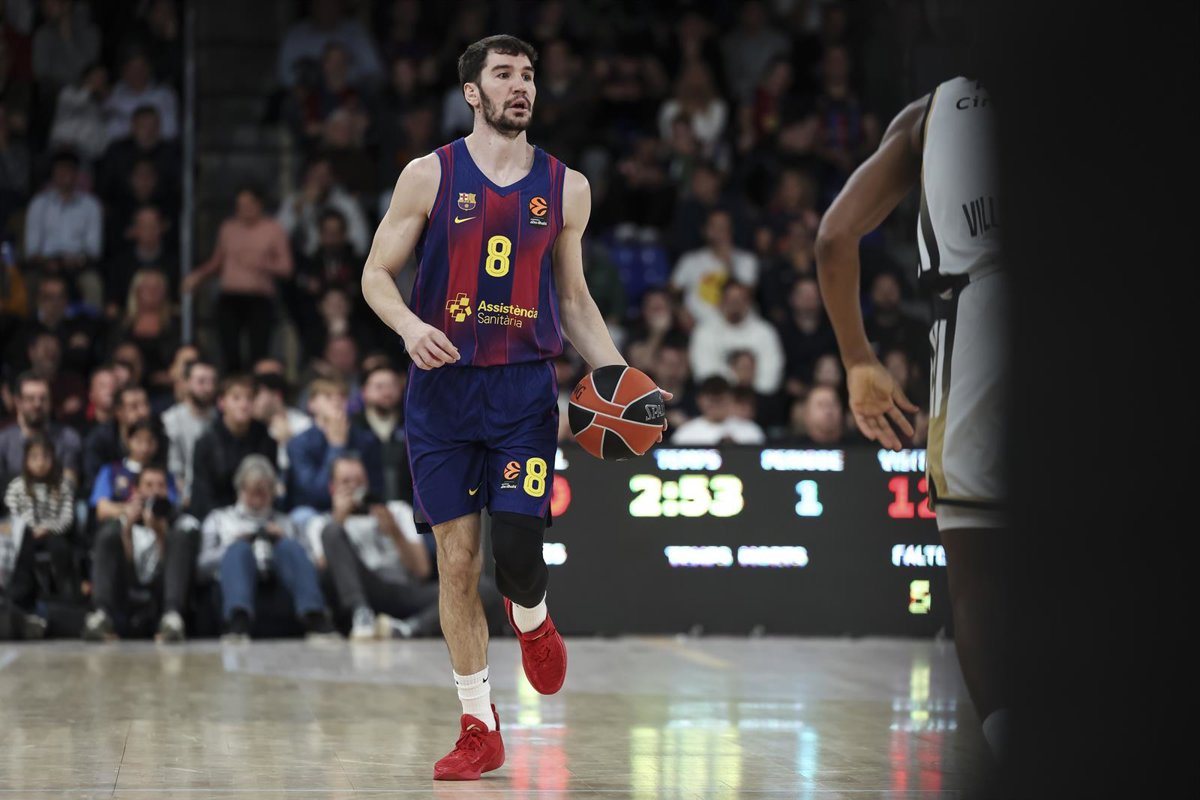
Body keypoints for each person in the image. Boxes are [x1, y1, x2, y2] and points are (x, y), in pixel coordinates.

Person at [359, 35, 669, 781]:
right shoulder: (428, 175)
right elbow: (375, 274)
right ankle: (479, 725)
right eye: (503, 74)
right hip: (441, 394)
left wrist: (623, 379)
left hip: (523, 392)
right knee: (457, 563)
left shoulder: (567, 187)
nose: (520, 85)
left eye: (528, 75)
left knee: (519, 557)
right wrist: (410, 328)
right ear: (473, 92)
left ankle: (532, 619)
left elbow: (574, 300)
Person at [815, 77, 1009, 759]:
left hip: (979, 323)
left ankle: (1009, 740)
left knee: (977, 572)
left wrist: (858, 359)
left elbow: (834, 237)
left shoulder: (934, 111)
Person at [305, 454, 496, 640]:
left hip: (402, 591)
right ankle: (361, 613)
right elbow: (325, 575)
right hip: (363, 588)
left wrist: (395, 532)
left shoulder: (397, 511)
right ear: (332, 488)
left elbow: (422, 570)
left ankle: (408, 629)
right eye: (346, 482)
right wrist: (339, 518)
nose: (354, 488)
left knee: (480, 588)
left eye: (359, 481)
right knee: (331, 532)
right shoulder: (321, 523)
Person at [198, 455, 336, 641]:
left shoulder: (287, 523)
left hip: (281, 589)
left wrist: (282, 538)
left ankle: (315, 617)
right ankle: (238, 621)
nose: (257, 500)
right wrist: (233, 545)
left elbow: (312, 563)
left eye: (263, 492)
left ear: (272, 491)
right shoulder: (219, 519)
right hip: (233, 590)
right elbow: (201, 567)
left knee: (289, 547)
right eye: (252, 492)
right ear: (241, 489)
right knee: (239, 550)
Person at [83, 464, 200, 642]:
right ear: (136, 490)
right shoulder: (123, 522)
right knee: (108, 535)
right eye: (149, 485)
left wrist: (160, 532)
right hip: (128, 595)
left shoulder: (179, 521)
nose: (155, 491)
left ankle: (172, 618)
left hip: (162, 596)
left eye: (161, 485)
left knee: (180, 537)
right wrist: (127, 529)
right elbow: (129, 568)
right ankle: (101, 616)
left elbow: (168, 571)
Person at [182, 187, 293, 373]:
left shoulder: (273, 229)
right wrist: (198, 275)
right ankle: (232, 382)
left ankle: (256, 384)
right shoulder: (228, 228)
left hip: (259, 297)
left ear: (259, 205)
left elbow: (286, 267)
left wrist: (262, 263)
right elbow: (217, 262)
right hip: (230, 296)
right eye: (240, 205)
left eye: (249, 205)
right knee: (229, 349)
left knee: (259, 351)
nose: (244, 209)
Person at [2, 435, 78, 633]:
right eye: (34, 457)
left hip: (53, 534)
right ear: (26, 460)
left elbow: (66, 518)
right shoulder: (17, 486)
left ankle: (62, 594)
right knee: (19, 548)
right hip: (23, 536)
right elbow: (11, 514)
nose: (40, 462)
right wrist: (28, 530)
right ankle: (19, 598)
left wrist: (47, 528)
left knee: (60, 548)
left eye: (45, 457)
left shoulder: (62, 486)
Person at [189, 375, 277, 520]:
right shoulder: (206, 443)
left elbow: (270, 487)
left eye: (249, 398)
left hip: (258, 515)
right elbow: (202, 494)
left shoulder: (266, 440)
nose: (244, 405)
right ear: (222, 403)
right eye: (236, 398)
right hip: (217, 516)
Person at [0, 373, 82, 505]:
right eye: (30, 399)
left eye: (43, 399)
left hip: (55, 507)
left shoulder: (67, 437)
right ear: (18, 402)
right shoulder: (3, 441)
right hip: (12, 507)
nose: (37, 404)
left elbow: (70, 479)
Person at [89, 418, 177, 522]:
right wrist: (127, 509)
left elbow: (172, 506)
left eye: (150, 441)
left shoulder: (163, 474)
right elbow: (102, 509)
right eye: (139, 441)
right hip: (120, 526)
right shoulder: (111, 470)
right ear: (128, 440)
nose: (145, 448)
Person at [161, 358, 217, 509]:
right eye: (201, 381)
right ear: (186, 383)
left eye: (212, 382)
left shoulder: (221, 419)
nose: (208, 388)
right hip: (183, 498)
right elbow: (174, 470)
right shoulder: (170, 420)